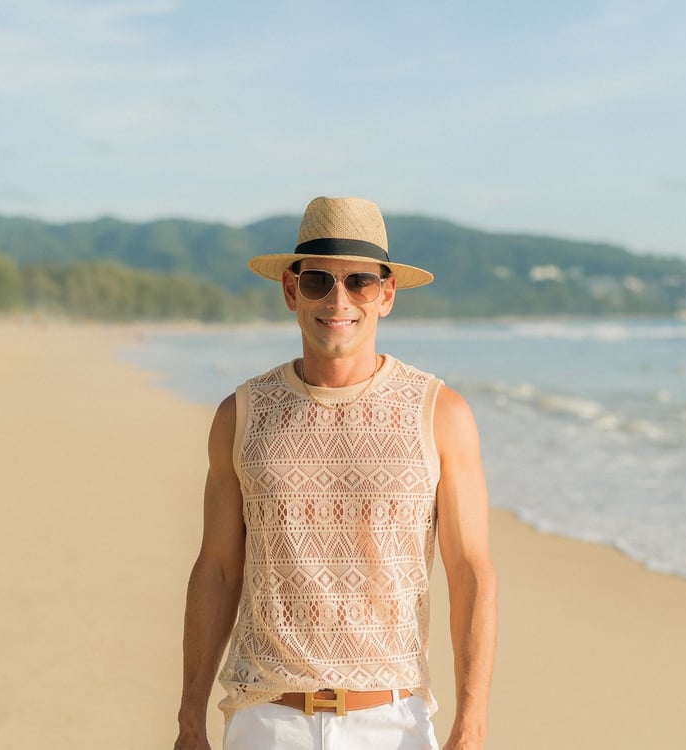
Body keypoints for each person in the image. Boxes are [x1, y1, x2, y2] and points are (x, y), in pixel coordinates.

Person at [173, 196, 496, 750]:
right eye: (319, 281)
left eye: (360, 283)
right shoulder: (241, 414)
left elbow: (470, 572)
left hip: (392, 724)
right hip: (265, 722)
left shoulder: (440, 414)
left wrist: (471, 725)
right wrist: (189, 718)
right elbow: (218, 570)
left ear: (387, 295)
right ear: (291, 291)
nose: (338, 300)